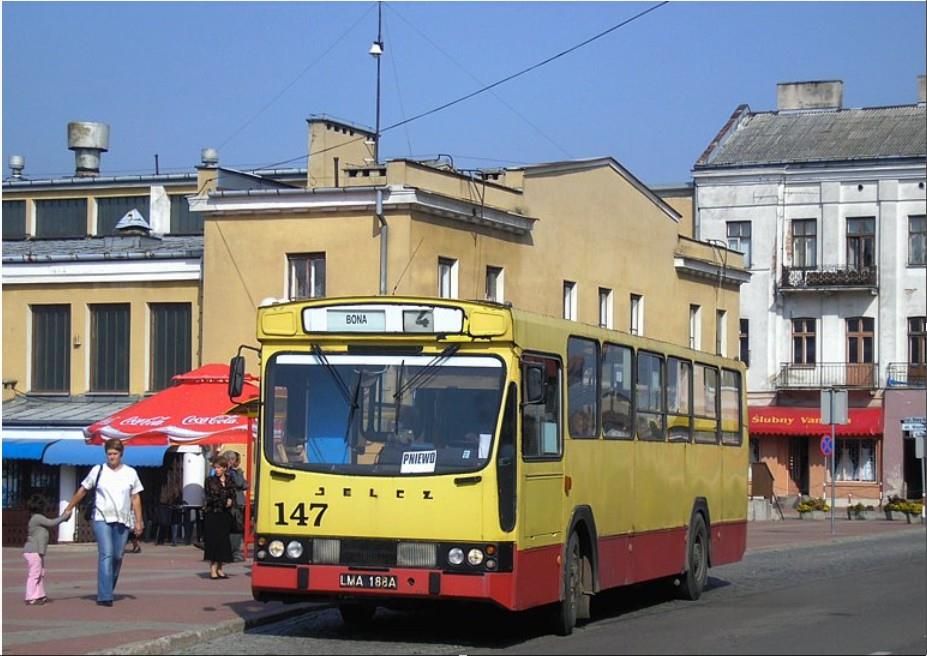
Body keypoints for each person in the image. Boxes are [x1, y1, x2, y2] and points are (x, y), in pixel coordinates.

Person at [63, 438, 144, 607]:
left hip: (122, 519)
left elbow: (135, 497)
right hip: (101, 518)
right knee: (106, 554)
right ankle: (105, 596)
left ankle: (108, 587)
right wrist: (69, 507)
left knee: (117, 556)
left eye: (115, 454)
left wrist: (138, 521)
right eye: (109, 454)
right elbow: (83, 489)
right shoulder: (98, 470)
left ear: (121, 454)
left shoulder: (130, 473)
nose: (111, 457)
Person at [23, 494, 71, 606]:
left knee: (40, 573)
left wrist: (64, 517)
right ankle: (30, 597)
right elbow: (51, 523)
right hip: (33, 550)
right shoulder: (37, 517)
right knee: (34, 573)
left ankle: (40, 595)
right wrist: (64, 517)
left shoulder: (35, 517)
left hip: (37, 550)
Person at [203, 454, 236, 579]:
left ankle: (220, 567)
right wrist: (224, 501)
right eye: (215, 467)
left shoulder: (229, 479)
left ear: (224, 468)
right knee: (213, 541)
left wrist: (231, 501)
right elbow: (210, 496)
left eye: (219, 467)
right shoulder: (210, 480)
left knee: (223, 541)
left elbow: (234, 492)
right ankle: (213, 568)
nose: (216, 470)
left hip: (225, 514)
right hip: (213, 513)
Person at [225, 451, 249, 562]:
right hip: (234, 504)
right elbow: (241, 484)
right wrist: (240, 473)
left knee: (236, 528)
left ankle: (233, 551)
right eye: (235, 460)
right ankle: (234, 552)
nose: (237, 462)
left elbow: (246, 485)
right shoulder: (231, 473)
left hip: (237, 503)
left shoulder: (231, 472)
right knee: (236, 529)